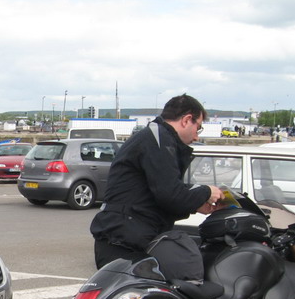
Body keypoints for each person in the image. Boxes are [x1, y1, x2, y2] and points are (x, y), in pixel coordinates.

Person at [90, 94, 223, 268]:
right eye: (198, 128)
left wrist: (196, 204)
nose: (197, 137)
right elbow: (170, 194)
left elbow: (157, 194)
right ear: (186, 120)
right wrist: (206, 191)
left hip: (124, 234)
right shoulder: (159, 140)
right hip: (125, 239)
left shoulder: (156, 137)